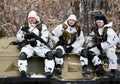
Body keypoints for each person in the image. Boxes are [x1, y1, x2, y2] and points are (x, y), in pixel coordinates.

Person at [16, 10, 55, 78]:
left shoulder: (42, 27)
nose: (31, 19)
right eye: (30, 18)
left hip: (40, 46)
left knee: (49, 54)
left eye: (33, 18)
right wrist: (25, 37)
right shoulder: (24, 27)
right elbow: (18, 37)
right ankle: (23, 71)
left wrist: (36, 42)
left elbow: (44, 37)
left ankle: (48, 71)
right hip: (28, 46)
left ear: (36, 18)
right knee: (22, 55)